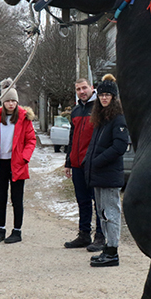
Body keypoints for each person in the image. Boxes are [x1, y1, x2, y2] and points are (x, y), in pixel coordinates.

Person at [83, 75, 129, 268]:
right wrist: (88, 162)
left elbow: (119, 146)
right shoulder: (101, 118)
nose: (104, 98)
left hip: (108, 174)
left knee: (111, 213)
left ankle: (113, 251)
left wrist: (97, 161)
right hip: (98, 174)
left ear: (114, 97)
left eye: (107, 95)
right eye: (101, 95)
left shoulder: (118, 118)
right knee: (102, 213)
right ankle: (107, 248)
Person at [0, 79, 36, 245]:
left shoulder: (23, 118)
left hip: (17, 163)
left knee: (17, 198)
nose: (11, 104)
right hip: (0, 162)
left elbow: (31, 140)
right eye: (7, 101)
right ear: (3, 102)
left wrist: (24, 157)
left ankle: (17, 230)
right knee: (0, 197)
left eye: (13, 100)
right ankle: (0, 229)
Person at [62, 77, 104, 251]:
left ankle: (101, 236)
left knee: (98, 202)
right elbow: (72, 138)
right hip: (77, 163)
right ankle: (84, 234)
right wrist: (68, 161)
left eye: (84, 88)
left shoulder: (100, 109)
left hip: (94, 164)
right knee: (82, 200)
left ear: (91, 88)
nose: (82, 91)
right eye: (78, 89)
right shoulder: (76, 110)